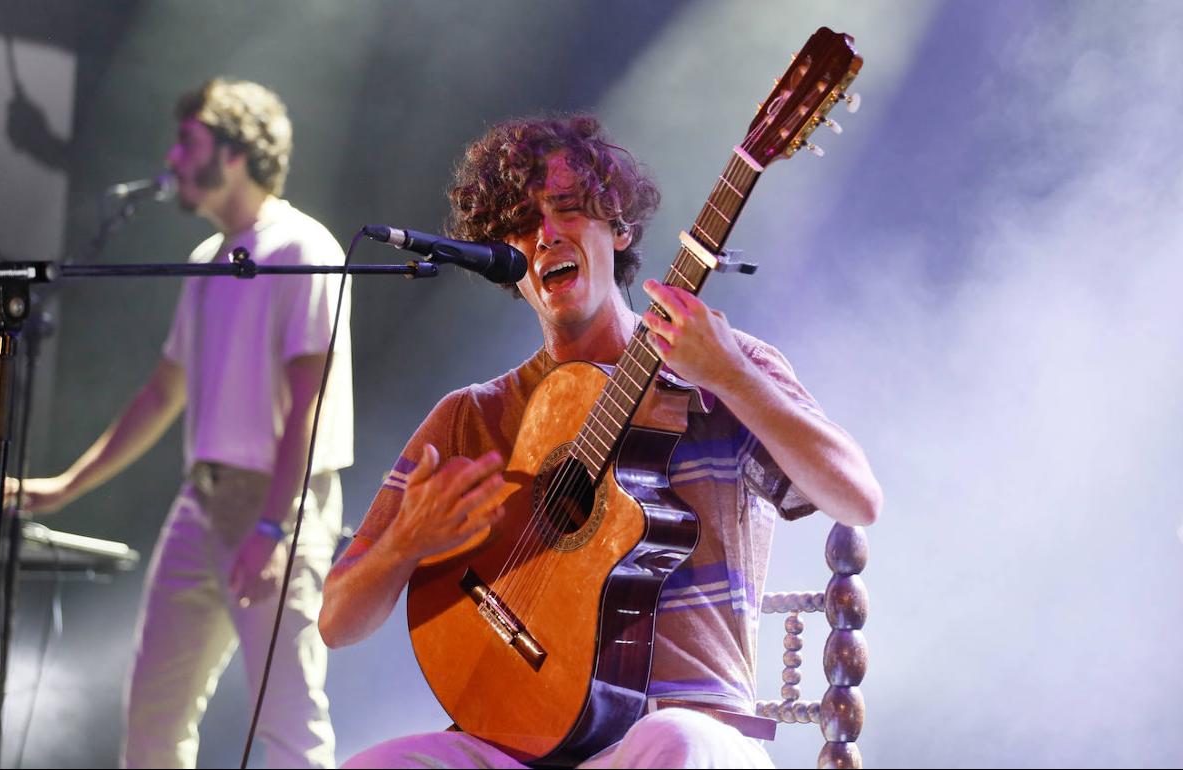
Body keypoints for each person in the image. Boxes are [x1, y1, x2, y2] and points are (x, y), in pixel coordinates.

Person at [318, 114, 880, 769]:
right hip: (511, 749)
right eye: (520, 225)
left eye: (564, 208)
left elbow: (857, 499)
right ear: (504, 259)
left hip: (691, 736)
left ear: (618, 223)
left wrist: (730, 375)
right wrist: (404, 543)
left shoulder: (722, 362)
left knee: (671, 743)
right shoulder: (470, 417)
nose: (545, 234)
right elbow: (335, 620)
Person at [16, 78, 353, 769]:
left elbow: (308, 402)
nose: (172, 157)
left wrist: (269, 525)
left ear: (233, 154)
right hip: (199, 499)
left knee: (289, 725)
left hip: (278, 502)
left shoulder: (301, 246)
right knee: (153, 723)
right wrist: (62, 488)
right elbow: (162, 390)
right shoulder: (205, 261)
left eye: (188, 140)